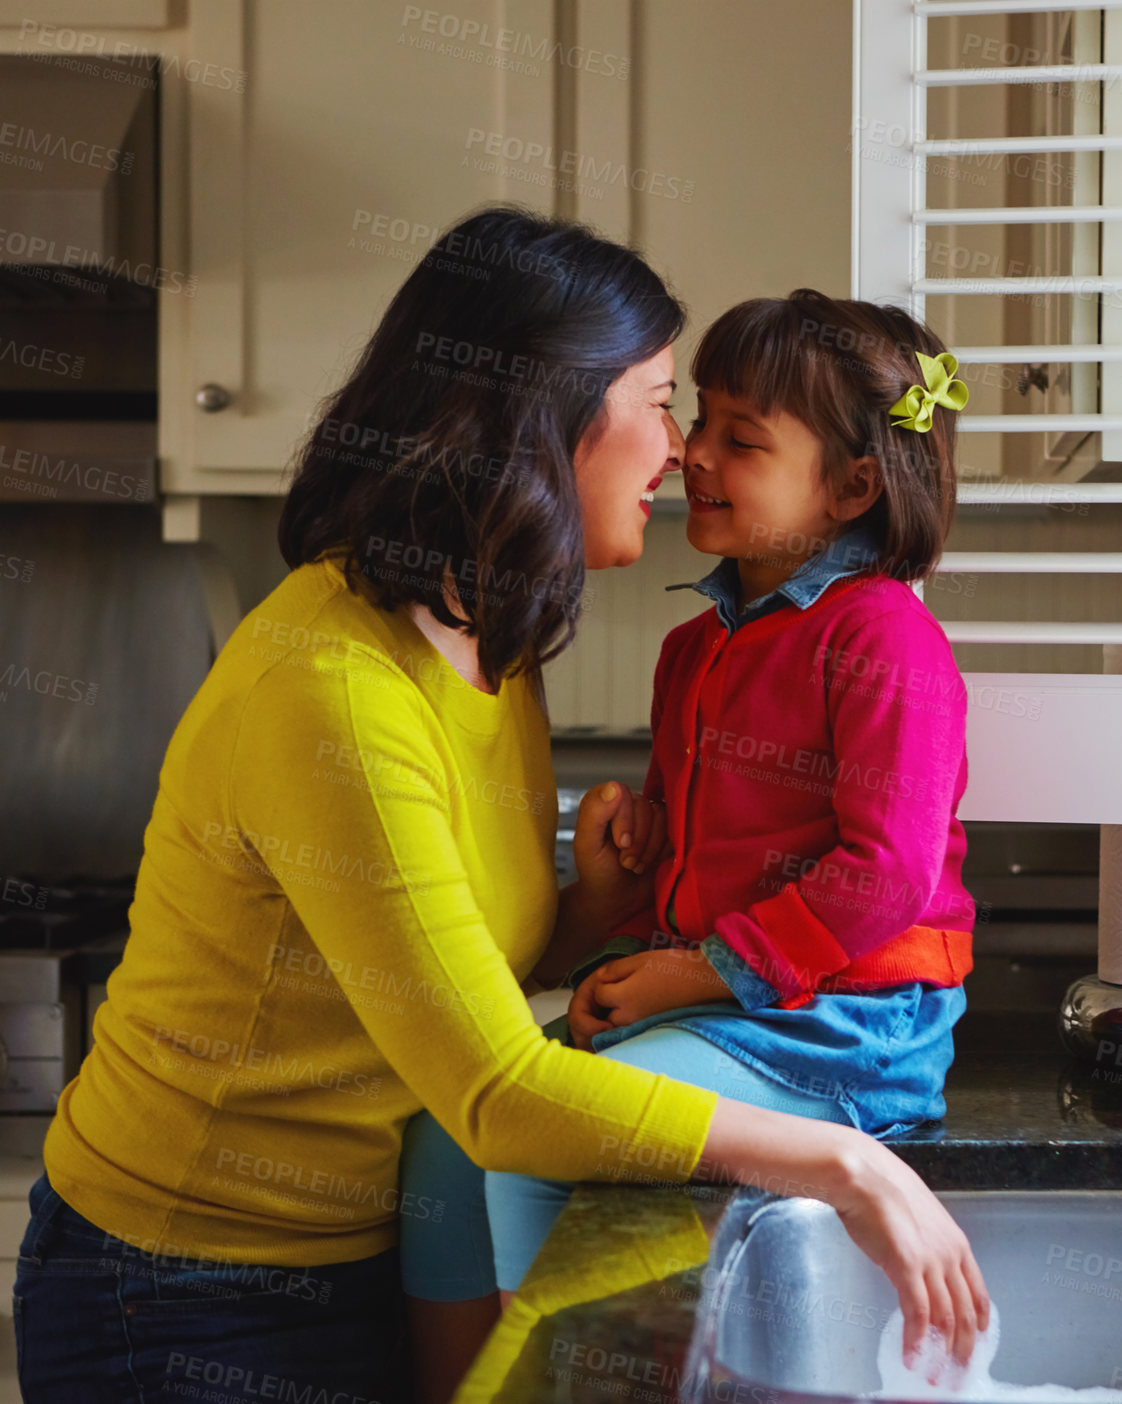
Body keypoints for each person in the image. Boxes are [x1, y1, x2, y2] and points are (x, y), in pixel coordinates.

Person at [12, 211, 988, 1404]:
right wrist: (849, 1165)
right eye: (662, 402)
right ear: (545, 420)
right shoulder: (334, 692)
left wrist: (598, 907)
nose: (679, 452)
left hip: (353, 1249)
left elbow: (444, 971)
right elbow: (497, 1095)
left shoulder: (488, 637)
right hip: (190, 1284)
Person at [399, 289, 983, 1399]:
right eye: (699, 417)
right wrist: (630, 866)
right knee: (444, 1131)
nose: (691, 452)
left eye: (741, 440)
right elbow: (690, 869)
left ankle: (556, 1386)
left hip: (842, 1029)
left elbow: (885, 873)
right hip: (720, 1006)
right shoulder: (691, 649)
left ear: (852, 486)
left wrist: (691, 969)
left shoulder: (880, 635)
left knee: (544, 1137)